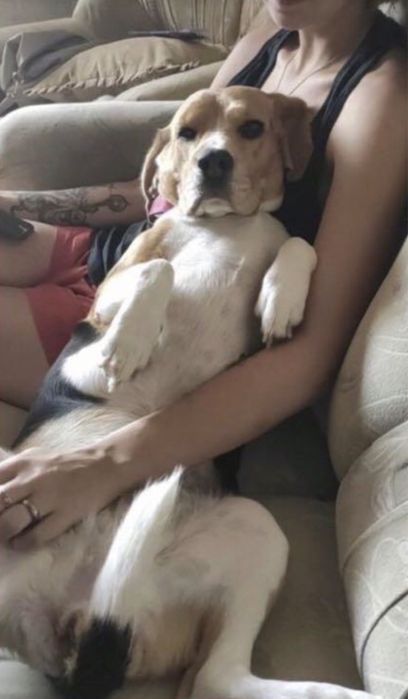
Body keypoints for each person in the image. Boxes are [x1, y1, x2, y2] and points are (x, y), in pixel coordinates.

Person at [0, 0, 406, 548]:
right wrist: (19, 204)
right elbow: (172, 179)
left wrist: (105, 464)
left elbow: (312, 354)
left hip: (158, 328)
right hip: (128, 256)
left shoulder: (380, 99)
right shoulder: (270, 28)